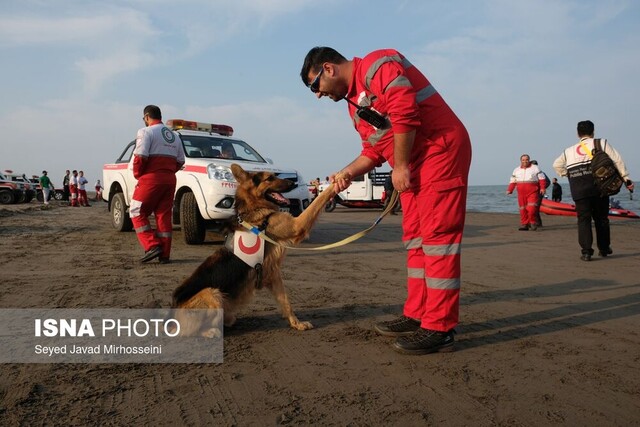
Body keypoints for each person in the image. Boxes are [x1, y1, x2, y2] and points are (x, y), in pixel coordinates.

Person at [301, 46, 471, 355]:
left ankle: (440, 326)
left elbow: (406, 112)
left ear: (328, 69)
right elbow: (374, 150)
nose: (317, 95)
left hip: (439, 151)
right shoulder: (354, 107)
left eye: (315, 87)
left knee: (437, 238)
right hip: (414, 163)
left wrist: (402, 165)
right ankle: (418, 313)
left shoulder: (378, 64)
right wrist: (347, 173)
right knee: (415, 239)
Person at [553, 120, 634, 261]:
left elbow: (556, 165)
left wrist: (567, 174)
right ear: (593, 132)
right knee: (601, 219)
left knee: (583, 220)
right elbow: (617, 160)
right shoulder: (601, 143)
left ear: (577, 134)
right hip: (599, 188)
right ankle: (603, 248)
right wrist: (626, 179)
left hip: (579, 190)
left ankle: (586, 252)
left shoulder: (568, 151)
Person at [130, 105, 185, 264]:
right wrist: (168, 171)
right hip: (169, 180)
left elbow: (140, 156)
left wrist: (139, 174)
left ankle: (152, 245)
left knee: (136, 211)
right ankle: (165, 254)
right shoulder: (174, 136)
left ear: (147, 117)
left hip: (151, 179)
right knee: (163, 215)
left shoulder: (145, 132)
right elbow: (181, 160)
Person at [506, 154, 546, 231]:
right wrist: (510, 190)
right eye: (523, 160)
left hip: (533, 191)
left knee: (531, 208)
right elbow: (513, 181)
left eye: (526, 159)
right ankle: (525, 224)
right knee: (522, 209)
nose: (525, 161)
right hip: (521, 193)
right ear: (521, 161)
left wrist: (542, 188)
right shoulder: (516, 170)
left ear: (529, 160)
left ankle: (532, 222)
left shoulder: (535, 168)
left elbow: (542, 178)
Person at [530, 160, 550, 227]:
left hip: (538, 193)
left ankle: (537, 223)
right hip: (531, 193)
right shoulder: (530, 173)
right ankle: (533, 222)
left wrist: (541, 188)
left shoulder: (541, 173)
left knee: (535, 208)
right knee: (531, 207)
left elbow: (548, 182)